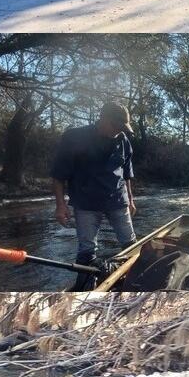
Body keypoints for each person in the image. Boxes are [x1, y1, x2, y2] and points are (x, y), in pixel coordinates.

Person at [50, 101, 138, 266]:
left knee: (130, 244)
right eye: (116, 125)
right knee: (86, 250)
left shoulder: (123, 140)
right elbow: (58, 175)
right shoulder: (74, 137)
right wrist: (60, 205)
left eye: (122, 127)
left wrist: (131, 200)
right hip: (86, 203)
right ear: (103, 118)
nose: (119, 130)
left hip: (118, 200)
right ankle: (84, 287)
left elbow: (126, 174)